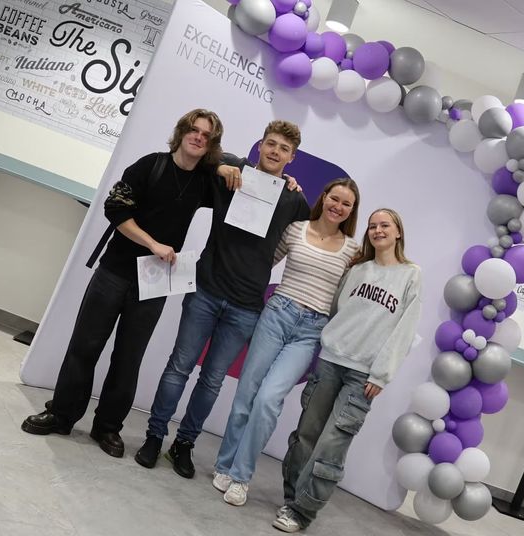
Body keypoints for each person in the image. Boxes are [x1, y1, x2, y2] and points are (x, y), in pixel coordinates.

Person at [20, 109, 225, 459]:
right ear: (182, 132)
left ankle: (108, 427)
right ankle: (62, 413)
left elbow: (240, 183)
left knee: (129, 358)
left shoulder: (205, 182)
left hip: (154, 283)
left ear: (210, 145)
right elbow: (115, 210)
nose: (198, 137)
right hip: (114, 271)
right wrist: (152, 244)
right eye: (194, 130)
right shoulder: (150, 166)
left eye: (206, 136)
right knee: (85, 346)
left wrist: (230, 166)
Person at [136, 120, 311, 479]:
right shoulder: (232, 171)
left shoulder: (294, 198)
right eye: (271, 144)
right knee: (178, 367)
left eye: (284, 149)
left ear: (291, 158)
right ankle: (154, 436)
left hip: (246, 306)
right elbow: (199, 157)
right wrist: (223, 166)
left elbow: (312, 230)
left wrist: (297, 188)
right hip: (205, 290)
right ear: (260, 145)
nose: (276, 152)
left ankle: (184, 444)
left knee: (212, 380)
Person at [212, 178, 361, 507]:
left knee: (268, 400)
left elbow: (355, 295)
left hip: (311, 330)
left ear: (352, 210)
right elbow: (262, 262)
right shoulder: (295, 229)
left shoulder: (352, 251)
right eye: (334, 198)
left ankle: (241, 477)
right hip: (277, 314)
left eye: (346, 203)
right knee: (247, 394)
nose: (338, 206)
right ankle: (224, 465)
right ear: (323, 198)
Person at [273, 208, 423, 533]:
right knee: (305, 437)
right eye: (372, 226)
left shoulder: (411, 275)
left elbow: (405, 330)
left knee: (332, 445)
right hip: (330, 362)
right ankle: (290, 498)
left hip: (363, 376)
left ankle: (303, 511)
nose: (377, 230)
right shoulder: (357, 269)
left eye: (385, 225)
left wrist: (381, 374)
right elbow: (335, 309)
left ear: (398, 232)